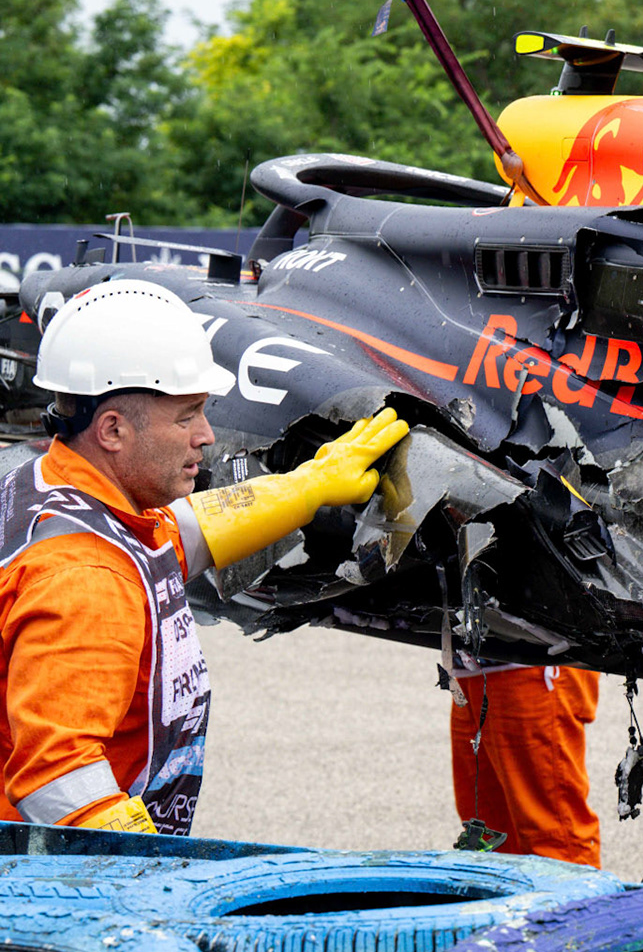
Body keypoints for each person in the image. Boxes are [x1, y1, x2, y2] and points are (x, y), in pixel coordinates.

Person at [0, 279, 408, 832]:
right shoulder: (86, 580)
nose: (208, 436)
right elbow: (56, 779)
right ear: (113, 429)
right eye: (187, 416)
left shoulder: (63, 488)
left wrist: (307, 487)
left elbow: (179, 535)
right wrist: (152, 869)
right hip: (66, 887)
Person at [447, 659, 600, 866]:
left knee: (552, 836)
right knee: (486, 830)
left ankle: (572, 899)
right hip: (473, 663)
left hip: (529, 659)